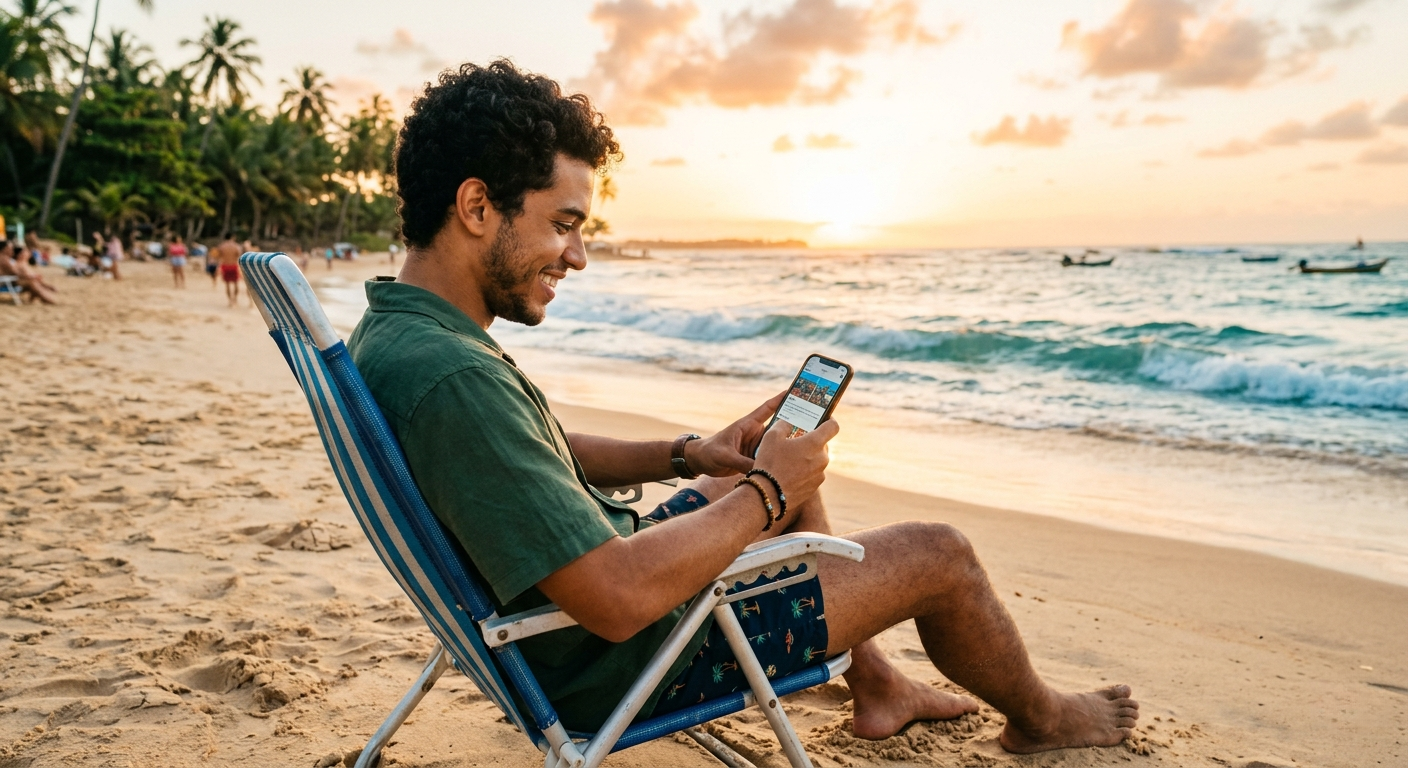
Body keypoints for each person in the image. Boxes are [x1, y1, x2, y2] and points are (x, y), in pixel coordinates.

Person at [347, 60, 1137, 751]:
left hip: (567, 623)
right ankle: (1045, 719)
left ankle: (879, 686)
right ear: (478, 206)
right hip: (619, 663)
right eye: (563, 224)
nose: (578, 256)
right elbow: (617, 601)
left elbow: (539, 450)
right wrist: (768, 494)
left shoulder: (403, 335)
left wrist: (693, 453)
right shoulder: (452, 376)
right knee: (940, 553)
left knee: (777, 467)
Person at [213, 236, 242, 307]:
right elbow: (238, 255)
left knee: (227, 284)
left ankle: (230, 301)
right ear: (232, 238)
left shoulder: (222, 246)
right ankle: (235, 299)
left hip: (225, 265)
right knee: (236, 284)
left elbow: (217, 256)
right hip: (234, 265)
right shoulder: (236, 246)